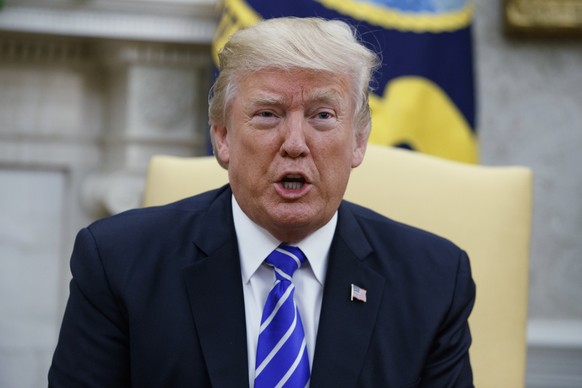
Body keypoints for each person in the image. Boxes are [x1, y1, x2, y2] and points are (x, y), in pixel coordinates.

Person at [49, 17, 475, 387]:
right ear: (222, 137)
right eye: (268, 114)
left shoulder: (434, 281)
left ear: (359, 141)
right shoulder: (119, 263)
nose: (295, 144)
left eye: (322, 116)